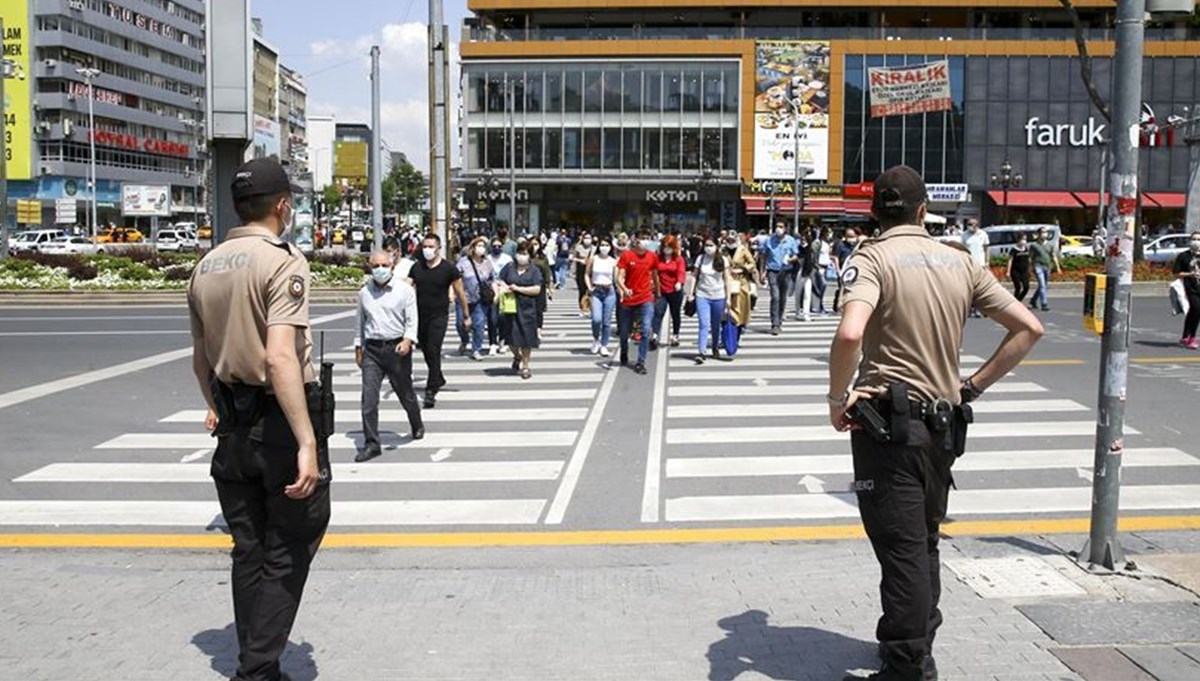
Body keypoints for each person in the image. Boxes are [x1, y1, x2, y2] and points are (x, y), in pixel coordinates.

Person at [827, 165, 1043, 681]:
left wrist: (837, 397)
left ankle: (907, 665)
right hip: (944, 426)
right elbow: (1028, 327)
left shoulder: (872, 258)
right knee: (922, 539)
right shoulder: (960, 261)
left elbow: (850, 332)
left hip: (886, 428)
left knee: (898, 546)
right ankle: (916, 643)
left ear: (875, 212)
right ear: (924, 210)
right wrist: (972, 386)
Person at [186, 158, 331, 681]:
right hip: (277, 419)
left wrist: (221, 409)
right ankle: (257, 667)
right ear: (283, 206)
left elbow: (201, 361)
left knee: (247, 545)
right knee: (294, 537)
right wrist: (307, 442)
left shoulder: (206, 266)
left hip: (231, 419)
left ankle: (256, 660)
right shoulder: (281, 261)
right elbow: (280, 357)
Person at [354, 250, 424, 463]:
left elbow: (412, 320)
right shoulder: (364, 293)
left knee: (405, 393)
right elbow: (360, 322)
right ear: (369, 266)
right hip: (373, 351)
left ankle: (416, 422)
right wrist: (359, 347)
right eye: (376, 266)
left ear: (392, 266)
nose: (380, 270)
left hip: (396, 349)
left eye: (384, 265)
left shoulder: (404, 290)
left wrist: (408, 340)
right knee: (369, 399)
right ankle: (372, 443)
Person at [409, 233, 470, 409]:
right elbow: (407, 288)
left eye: (431, 246)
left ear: (438, 248)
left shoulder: (449, 268)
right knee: (427, 349)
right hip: (420, 316)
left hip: (439, 316)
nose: (427, 250)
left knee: (434, 349)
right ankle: (438, 376)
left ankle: (431, 389)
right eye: (425, 246)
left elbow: (460, 293)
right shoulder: (417, 268)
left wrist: (466, 315)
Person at [616, 230, 661, 374]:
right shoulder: (627, 255)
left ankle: (640, 361)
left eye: (648, 238)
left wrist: (658, 292)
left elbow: (655, 275)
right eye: (642, 238)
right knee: (624, 332)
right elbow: (619, 277)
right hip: (628, 299)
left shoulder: (652, 256)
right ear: (636, 240)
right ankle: (624, 350)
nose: (645, 241)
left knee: (646, 329)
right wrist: (624, 288)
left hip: (646, 298)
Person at [498, 242, 544, 378]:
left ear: (530, 255)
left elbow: (537, 289)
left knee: (526, 339)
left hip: (527, 308)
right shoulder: (509, 267)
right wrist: (504, 287)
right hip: (510, 306)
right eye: (520, 253)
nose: (521, 256)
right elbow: (500, 279)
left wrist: (519, 289)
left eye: (525, 254)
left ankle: (525, 366)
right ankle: (516, 356)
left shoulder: (534, 270)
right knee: (510, 338)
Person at [688, 237, 735, 364]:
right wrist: (691, 293)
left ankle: (714, 347)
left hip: (719, 296)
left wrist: (729, 298)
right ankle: (701, 351)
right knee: (703, 323)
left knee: (716, 325)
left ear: (717, 246)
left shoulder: (723, 260)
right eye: (706, 245)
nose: (708, 247)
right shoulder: (701, 259)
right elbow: (694, 276)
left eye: (711, 245)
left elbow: (727, 279)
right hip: (702, 295)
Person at [456, 236, 496, 361]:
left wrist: (495, 293)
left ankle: (476, 349)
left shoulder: (487, 263)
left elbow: (492, 279)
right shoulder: (463, 262)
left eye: (483, 246)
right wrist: (452, 293)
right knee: (460, 324)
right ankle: (464, 340)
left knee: (479, 324)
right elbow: (455, 279)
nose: (481, 249)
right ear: (472, 248)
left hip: (480, 298)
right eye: (478, 246)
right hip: (464, 298)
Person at [761, 222, 799, 335]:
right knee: (775, 297)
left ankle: (780, 319)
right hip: (772, 270)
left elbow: (796, 255)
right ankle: (775, 324)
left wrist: (791, 259)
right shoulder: (769, 240)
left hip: (786, 271)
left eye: (781, 227)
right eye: (777, 227)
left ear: (786, 229)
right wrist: (762, 272)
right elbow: (763, 256)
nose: (779, 229)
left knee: (783, 297)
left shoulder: (790, 240)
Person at [652, 234, 687, 349]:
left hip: (675, 291)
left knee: (675, 313)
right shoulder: (658, 258)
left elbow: (681, 272)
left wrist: (679, 282)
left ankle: (675, 335)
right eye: (665, 246)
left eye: (669, 247)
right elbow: (654, 271)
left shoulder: (678, 259)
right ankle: (655, 335)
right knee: (658, 312)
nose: (667, 249)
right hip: (662, 290)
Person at [586, 238, 618, 356]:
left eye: (606, 245)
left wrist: (622, 289)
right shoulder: (593, 259)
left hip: (609, 291)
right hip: (596, 291)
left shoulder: (613, 261)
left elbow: (616, 278)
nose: (604, 247)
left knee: (607, 321)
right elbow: (586, 274)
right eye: (602, 245)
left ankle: (604, 345)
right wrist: (589, 287)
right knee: (596, 319)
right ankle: (596, 340)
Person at [486, 237, 514, 354]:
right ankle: (492, 343)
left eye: (499, 246)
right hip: (491, 290)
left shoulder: (507, 259)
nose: (496, 248)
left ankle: (502, 340)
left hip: (504, 290)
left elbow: (511, 273)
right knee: (492, 318)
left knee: (503, 318)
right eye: (494, 246)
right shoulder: (487, 259)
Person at [1173, 232, 1200, 349]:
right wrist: (1190, 274)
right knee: (1197, 309)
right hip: (1190, 287)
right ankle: (1192, 338)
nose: (1196, 241)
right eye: (1194, 239)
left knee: (1194, 312)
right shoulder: (1183, 256)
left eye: (1198, 239)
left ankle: (1185, 335)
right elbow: (1176, 273)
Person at [962, 219, 990, 317]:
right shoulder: (964, 235)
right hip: (969, 264)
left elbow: (987, 249)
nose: (970, 226)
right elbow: (962, 249)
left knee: (979, 288)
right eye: (968, 224)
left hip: (980, 264)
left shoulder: (983, 234)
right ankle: (970, 309)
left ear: (977, 225)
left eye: (972, 224)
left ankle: (978, 309)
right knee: (969, 289)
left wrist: (987, 262)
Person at [1029, 228, 1061, 312]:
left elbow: (1053, 256)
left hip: (1047, 267)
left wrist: (1057, 267)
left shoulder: (1050, 245)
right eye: (1043, 232)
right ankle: (1044, 304)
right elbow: (1030, 258)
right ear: (1039, 234)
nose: (1045, 234)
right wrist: (1030, 268)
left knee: (1043, 286)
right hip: (1038, 266)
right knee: (1042, 285)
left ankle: (1033, 300)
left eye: (1046, 232)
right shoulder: (1034, 245)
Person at [530, 237, 554, 335]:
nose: (534, 246)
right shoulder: (526, 256)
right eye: (532, 244)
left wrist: (549, 286)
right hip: (527, 285)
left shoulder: (543, 258)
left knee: (539, 309)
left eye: (536, 244)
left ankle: (538, 329)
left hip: (540, 286)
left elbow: (547, 272)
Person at [832, 228, 859, 312]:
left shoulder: (857, 246)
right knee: (841, 288)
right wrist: (838, 270)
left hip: (853, 271)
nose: (851, 238)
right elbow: (836, 257)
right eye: (848, 236)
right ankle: (838, 305)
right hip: (843, 270)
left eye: (852, 236)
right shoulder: (841, 245)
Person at [571, 232, 595, 315]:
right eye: (586, 238)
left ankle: (590, 308)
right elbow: (572, 258)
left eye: (589, 238)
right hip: (580, 270)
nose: (587, 240)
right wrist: (579, 260)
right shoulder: (578, 248)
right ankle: (582, 308)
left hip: (591, 271)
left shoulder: (594, 248)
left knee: (591, 290)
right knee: (582, 290)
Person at [1006, 233, 1033, 303]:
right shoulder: (1014, 250)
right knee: (1018, 287)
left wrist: (1030, 269)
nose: (1024, 241)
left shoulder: (1026, 249)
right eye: (1023, 239)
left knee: (1026, 287)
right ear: (1018, 239)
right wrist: (1008, 272)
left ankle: (1018, 300)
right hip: (1015, 271)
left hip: (1024, 271)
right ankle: (1015, 302)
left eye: (1025, 239)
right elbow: (1010, 260)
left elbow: (1029, 259)